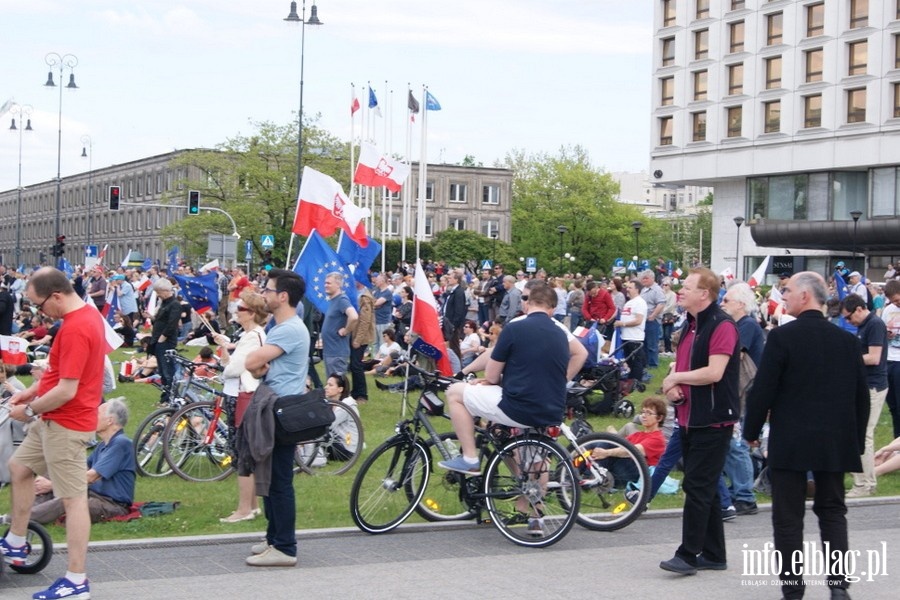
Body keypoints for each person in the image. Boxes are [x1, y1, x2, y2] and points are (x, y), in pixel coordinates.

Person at [744, 272, 869, 599]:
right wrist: (853, 441)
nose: (783, 297)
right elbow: (861, 397)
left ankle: (793, 589)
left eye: (787, 292)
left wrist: (752, 432)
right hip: (834, 442)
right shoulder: (848, 341)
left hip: (791, 440)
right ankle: (839, 587)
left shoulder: (783, 338)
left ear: (805, 296)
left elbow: (763, 391)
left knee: (788, 518)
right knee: (832, 513)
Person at [1, 267, 109, 600]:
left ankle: (76, 580)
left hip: (66, 423)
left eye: (39, 305)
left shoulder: (78, 327)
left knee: (74, 501)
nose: (39, 312)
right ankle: (17, 542)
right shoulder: (79, 319)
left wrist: (30, 410)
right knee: (19, 468)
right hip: (50, 418)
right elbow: (58, 371)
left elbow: (67, 389)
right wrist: (31, 392)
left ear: (57, 296)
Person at [439, 282, 586, 479]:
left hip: (520, 407)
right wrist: (561, 380)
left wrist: (487, 379)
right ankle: (530, 502)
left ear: (528, 304)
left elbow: (491, 374)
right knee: (529, 457)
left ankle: (470, 458)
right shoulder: (561, 333)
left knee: (455, 393)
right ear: (551, 309)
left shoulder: (515, 327)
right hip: (551, 406)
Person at [659, 267, 740, 576]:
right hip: (690, 415)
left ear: (704, 294)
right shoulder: (691, 325)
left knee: (697, 486)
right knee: (701, 485)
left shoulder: (722, 325)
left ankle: (688, 554)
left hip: (713, 418)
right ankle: (714, 553)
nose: (681, 291)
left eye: (687, 287)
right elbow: (686, 369)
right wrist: (673, 385)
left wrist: (676, 377)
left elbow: (714, 372)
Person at [243, 268, 310, 567]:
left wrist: (259, 364)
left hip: (281, 409)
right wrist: (259, 366)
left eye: (268, 290)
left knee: (280, 480)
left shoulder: (289, 329)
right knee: (269, 478)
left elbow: (252, 361)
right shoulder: (280, 327)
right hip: (276, 405)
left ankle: (285, 546)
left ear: (283, 296)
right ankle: (274, 538)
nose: (264, 294)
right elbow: (258, 367)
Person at [30, 399, 136, 525]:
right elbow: (81, 468)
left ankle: (19, 520)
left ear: (110, 421)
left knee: (70, 497)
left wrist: (53, 485)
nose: (91, 417)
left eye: (96, 414)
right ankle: (32, 513)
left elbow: (90, 477)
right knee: (52, 472)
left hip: (111, 504)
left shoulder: (121, 443)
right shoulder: (103, 445)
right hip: (92, 494)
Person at [214, 289, 268, 524]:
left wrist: (228, 359)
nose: (237, 311)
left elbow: (234, 369)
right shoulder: (248, 336)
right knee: (243, 451)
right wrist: (225, 349)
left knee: (243, 453)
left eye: (242, 308)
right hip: (239, 392)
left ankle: (244, 508)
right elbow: (231, 365)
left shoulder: (253, 336)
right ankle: (252, 505)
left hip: (246, 394)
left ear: (252, 313)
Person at [719, 282, 764, 516]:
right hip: (740, 391)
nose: (722, 303)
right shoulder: (738, 325)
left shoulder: (746, 325)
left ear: (741, 304)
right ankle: (739, 489)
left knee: (737, 443)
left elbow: (734, 354)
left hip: (746, 391)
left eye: (726, 300)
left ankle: (745, 495)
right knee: (730, 442)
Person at [840, 293, 888, 497]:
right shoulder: (864, 326)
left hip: (873, 385)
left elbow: (874, 357)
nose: (848, 321)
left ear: (859, 309)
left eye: (849, 317)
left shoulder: (874, 324)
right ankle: (866, 482)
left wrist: (848, 358)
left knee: (864, 434)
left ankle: (864, 484)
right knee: (859, 433)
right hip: (865, 384)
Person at [589, 397, 666, 482]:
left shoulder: (658, 438)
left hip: (639, 473)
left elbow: (634, 451)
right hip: (626, 467)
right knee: (596, 444)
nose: (644, 415)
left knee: (607, 446)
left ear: (659, 418)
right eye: (643, 412)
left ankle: (590, 479)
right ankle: (576, 474)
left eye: (649, 413)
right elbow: (619, 443)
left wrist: (606, 452)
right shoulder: (638, 435)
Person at [147, 278, 181, 404]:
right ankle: (165, 396)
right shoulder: (164, 303)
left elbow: (172, 324)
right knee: (162, 370)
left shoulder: (175, 305)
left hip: (166, 341)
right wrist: (151, 318)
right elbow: (160, 321)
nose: (158, 295)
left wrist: (163, 337)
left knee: (168, 371)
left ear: (165, 291)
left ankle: (169, 398)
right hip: (158, 340)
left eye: (159, 292)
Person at [321, 271, 358, 377]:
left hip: (337, 352)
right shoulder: (333, 301)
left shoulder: (342, 299)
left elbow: (354, 316)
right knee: (331, 384)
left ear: (338, 285)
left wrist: (346, 330)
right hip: (330, 351)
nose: (325, 285)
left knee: (338, 385)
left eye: (329, 283)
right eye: (325, 283)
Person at [614, 279, 647, 383]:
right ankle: (630, 380)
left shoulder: (640, 302)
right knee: (629, 360)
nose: (627, 290)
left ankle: (636, 381)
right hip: (626, 336)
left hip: (635, 336)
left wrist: (623, 324)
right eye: (627, 287)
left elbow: (638, 320)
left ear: (637, 289)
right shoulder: (629, 302)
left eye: (630, 288)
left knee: (636, 360)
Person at [349, 281, 374, 403]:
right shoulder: (356, 294)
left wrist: (358, 339)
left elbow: (365, 321)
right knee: (354, 365)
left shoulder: (365, 297)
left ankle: (362, 394)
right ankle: (355, 391)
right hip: (353, 334)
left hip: (360, 337)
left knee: (357, 365)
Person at [881, 279, 900, 438]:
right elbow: (882, 330)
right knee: (893, 406)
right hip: (889, 360)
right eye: (894, 301)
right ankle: (896, 442)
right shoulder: (889, 310)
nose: (896, 303)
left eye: (898, 300)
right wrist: (885, 334)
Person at [639, 270, 666, 373]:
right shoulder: (643, 290)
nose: (644, 280)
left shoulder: (657, 290)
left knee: (652, 344)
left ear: (652, 278)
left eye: (646, 278)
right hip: (643, 320)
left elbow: (661, 304)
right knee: (644, 343)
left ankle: (653, 365)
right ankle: (645, 363)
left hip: (652, 320)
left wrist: (653, 315)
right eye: (643, 278)